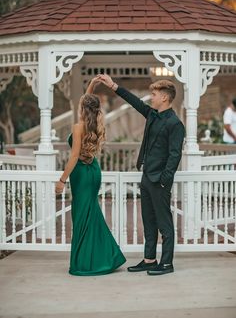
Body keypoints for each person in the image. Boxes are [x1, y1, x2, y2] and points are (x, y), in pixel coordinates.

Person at [98, 74, 185, 276]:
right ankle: (149, 259)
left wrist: (165, 179)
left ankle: (166, 263)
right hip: (146, 177)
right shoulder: (152, 115)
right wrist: (114, 86)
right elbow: (134, 102)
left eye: (154, 94)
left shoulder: (175, 123)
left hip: (160, 181)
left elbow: (175, 155)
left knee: (164, 223)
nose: (150, 97)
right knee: (148, 221)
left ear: (165, 97)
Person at [55, 77, 126, 276]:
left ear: (82, 108)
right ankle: (104, 257)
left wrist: (61, 180)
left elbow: (74, 156)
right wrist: (93, 84)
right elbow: (86, 100)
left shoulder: (78, 128)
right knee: (89, 214)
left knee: (82, 217)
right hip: (93, 171)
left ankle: (86, 263)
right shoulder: (94, 123)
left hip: (81, 173)